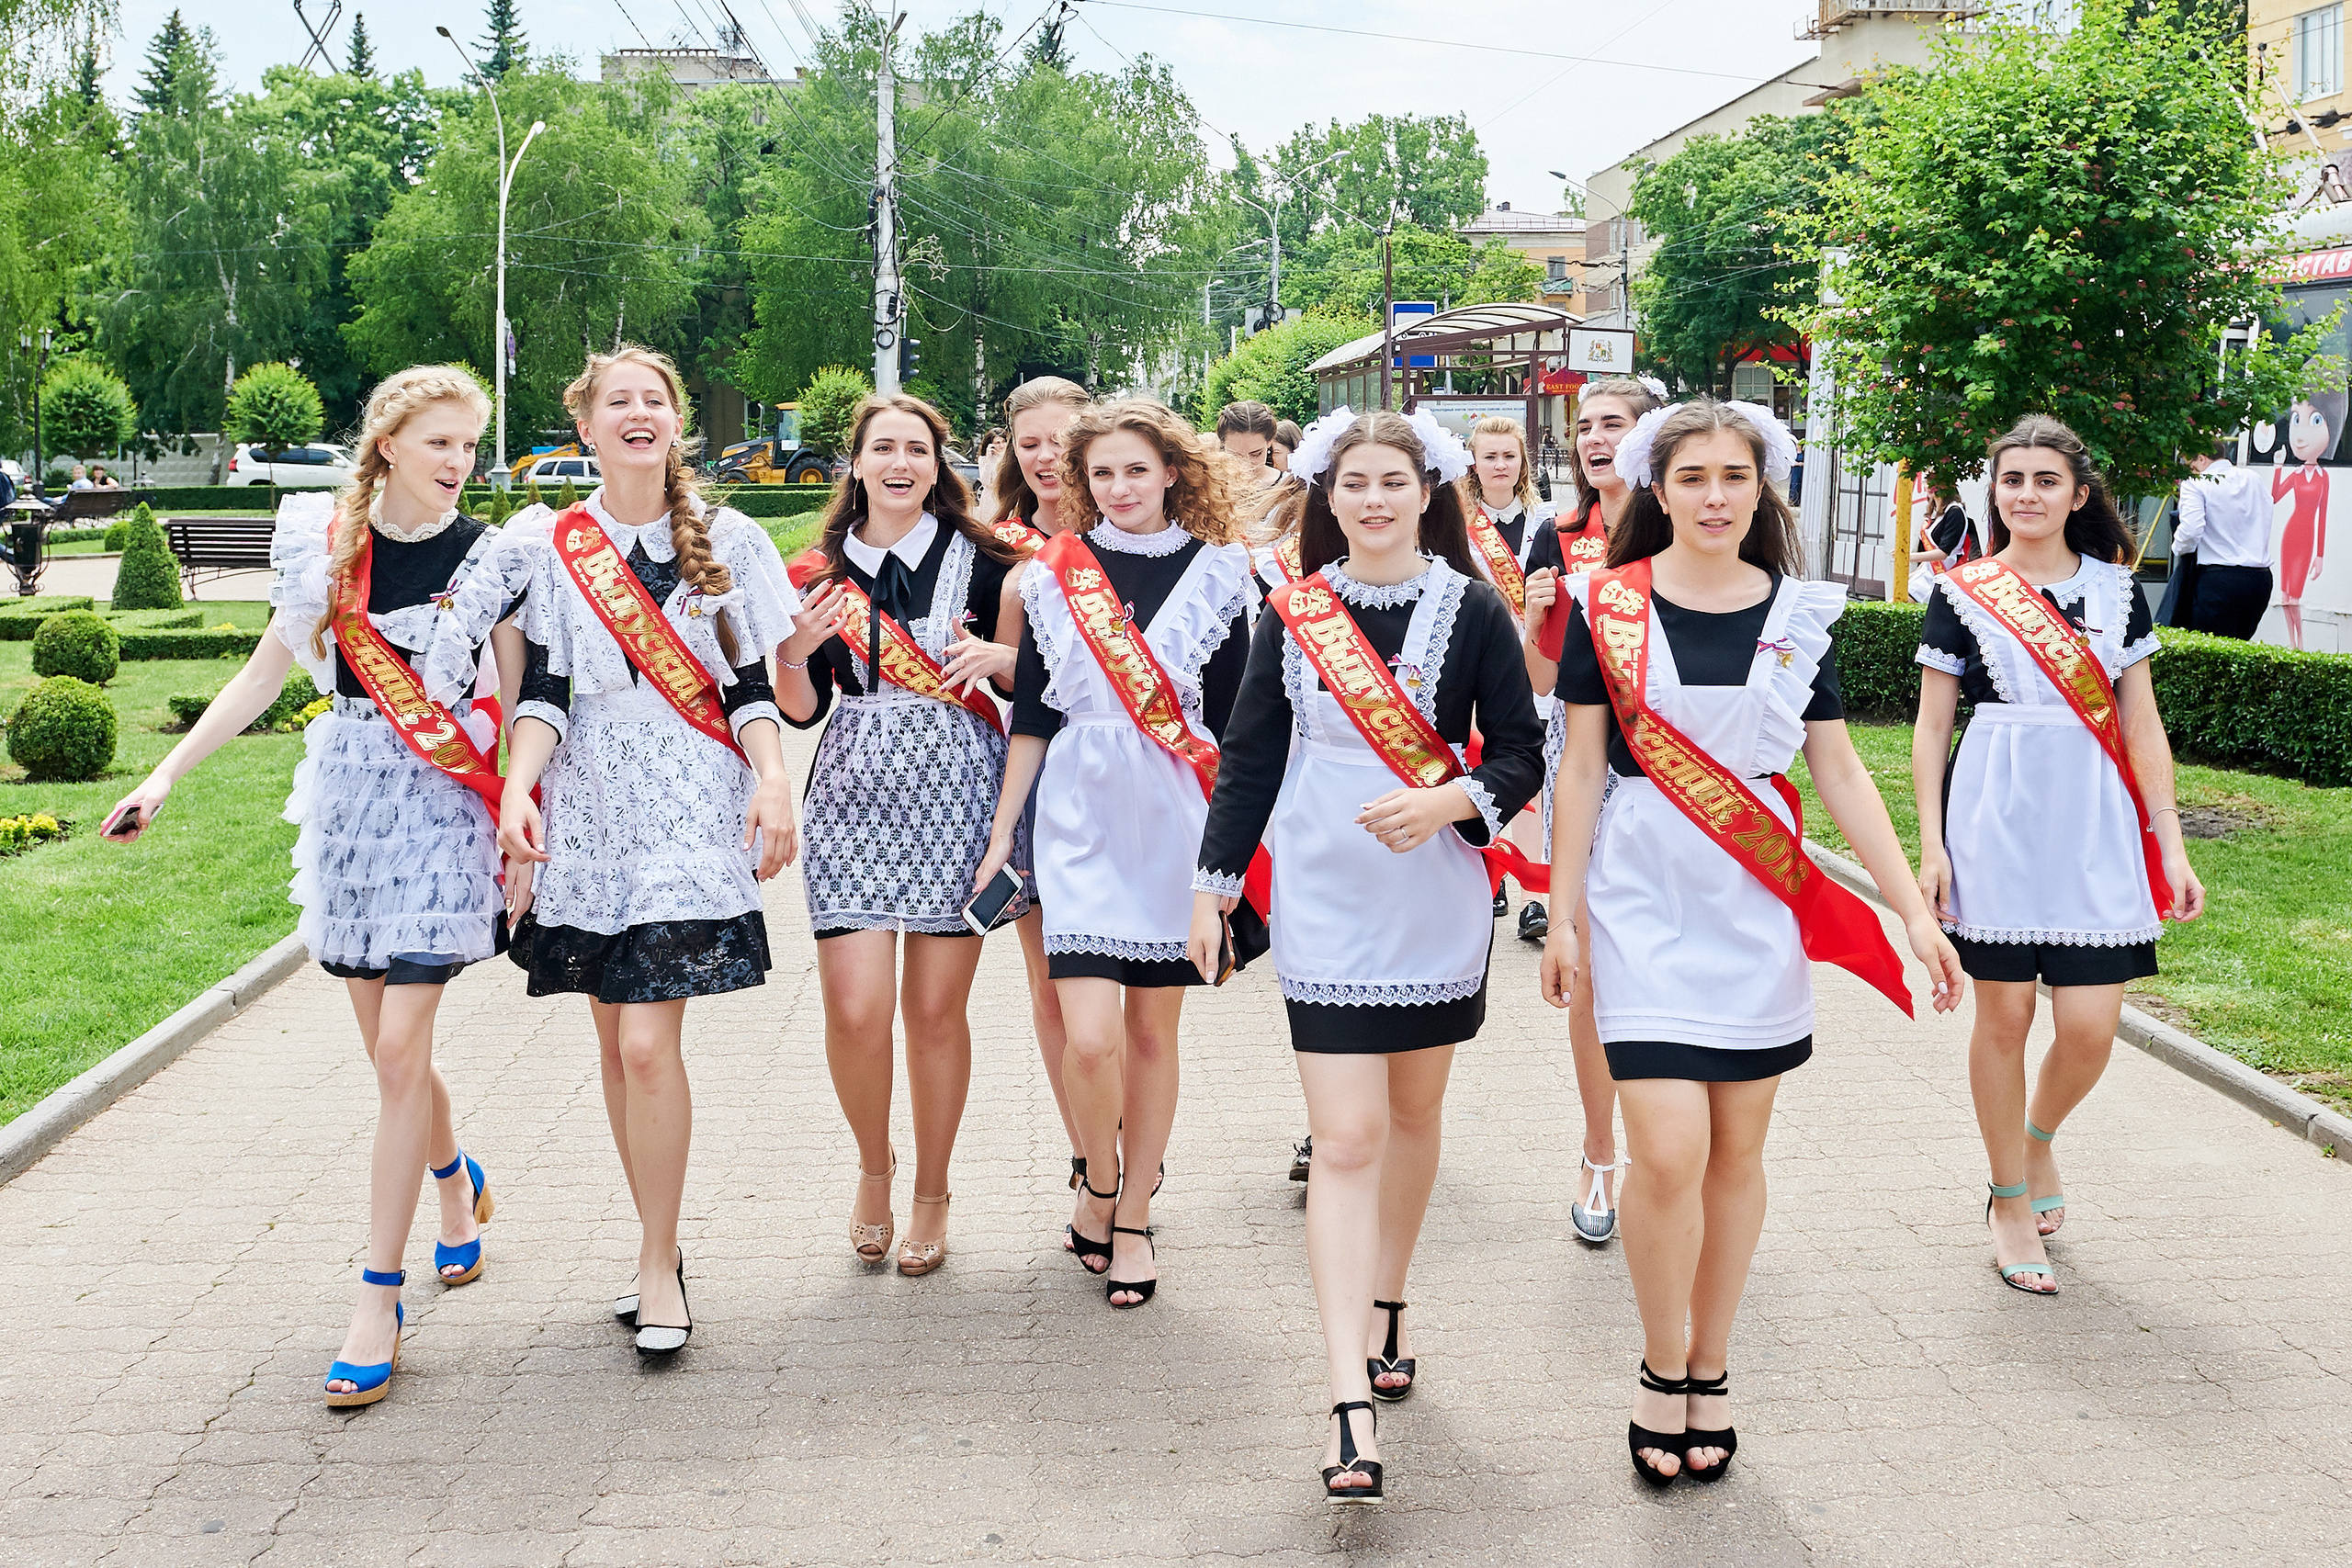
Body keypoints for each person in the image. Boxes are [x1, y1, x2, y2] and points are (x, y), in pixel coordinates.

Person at [1542, 398, 1963, 1486]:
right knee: (1667, 1150)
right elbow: (1581, 765)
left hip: (1751, 895)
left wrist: (1911, 910)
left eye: (1734, 477)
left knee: (1735, 1153)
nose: (1714, 497)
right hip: (1638, 893)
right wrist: (1566, 908)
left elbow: (1835, 767)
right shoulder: (1607, 604)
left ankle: (1709, 1365)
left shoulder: (1796, 614)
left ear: (1760, 489)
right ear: (1657, 488)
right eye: (1692, 479)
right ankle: (1656, 1360)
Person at [106, 365, 519, 1406]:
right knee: (393, 1058)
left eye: (469, 446)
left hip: (441, 811)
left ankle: (376, 1297)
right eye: (439, 444)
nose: (458, 465)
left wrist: (524, 814)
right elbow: (260, 676)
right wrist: (162, 776)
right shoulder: (324, 550)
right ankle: (455, 1184)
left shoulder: (490, 555)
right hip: (350, 809)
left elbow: (518, 702)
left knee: (394, 1053)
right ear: (387, 444)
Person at [1192, 409, 1544, 1503]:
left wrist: (1450, 798)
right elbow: (1249, 758)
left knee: (1410, 1119)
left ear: (1425, 490)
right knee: (1345, 1138)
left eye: (1395, 481)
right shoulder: (1292, 615)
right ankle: (1347, 1394)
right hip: (1326, 893)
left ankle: (1390, 1294)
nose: (1375, 500)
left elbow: (1524, 753)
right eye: (1356, 484)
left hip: (1433, 892)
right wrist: (1211, 890)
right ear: (1327, 496)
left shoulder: (1473, 607)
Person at [492, 345, 802, 1356]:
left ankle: (658, 1263)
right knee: (613, 1045)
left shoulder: (731, 535)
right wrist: (517, 790)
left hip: (688, 792)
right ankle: (653, 1245)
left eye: (654, 400)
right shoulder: (548, 543)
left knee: (642, 1044)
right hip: (589, 800)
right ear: (584, 427)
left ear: (676, 424)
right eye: (616, 402)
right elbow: (543, 689)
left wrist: (770, 778)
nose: (638, 413)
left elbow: (750, 684)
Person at [1914, 413, 2205, 1297]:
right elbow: (1932, 729)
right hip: (1993, 819)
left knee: (2088, 1028)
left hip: (2094, 824)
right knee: (2002, 1020)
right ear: (1992, 490)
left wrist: (2171, 839)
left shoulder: (2120, 592)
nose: (2027, 495)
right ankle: (2007, 1196)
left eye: (2046, 480)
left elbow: (2142, 723)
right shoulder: (1961, 590)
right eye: (2012, 480)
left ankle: (2036, 1138)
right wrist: (1930, 842)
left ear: (2078, 495)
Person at [976, 399, 1255, 1309]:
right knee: (1087, 1037)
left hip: (1175, 820)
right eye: (1102, 474)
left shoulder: (1222, 575)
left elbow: (1235, 728)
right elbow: (1034, 717)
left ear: (1173, 470)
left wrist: (1229, 862)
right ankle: (1100, 1175)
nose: (1120, 487)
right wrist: (1000, 834)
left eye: (1136, 469)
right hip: (1078, 818)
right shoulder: (1052, 577)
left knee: (1149, 1031)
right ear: (1079, 484)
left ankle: (1130, 1213)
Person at [777, 393, 1023, 1278]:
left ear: (937, 464)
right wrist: (796, 652)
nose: (900, 463)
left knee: (932, 1009)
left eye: (917, 449)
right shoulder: (814, 570)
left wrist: (1005, 663)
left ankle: (931, 1189)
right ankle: (871, 1170)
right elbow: (801, 709)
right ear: (856, 463)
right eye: (883, 447)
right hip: (851, 783)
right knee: (855, 1007)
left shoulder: (992, 562)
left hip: (957, 782)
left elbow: (1025, 685)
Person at [1515, 374, 1662, 1246]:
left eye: (1614, 423)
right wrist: (1534, 618)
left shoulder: (1685, 522)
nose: (1595, 438)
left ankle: (1668, 1146)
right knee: (1595, 967)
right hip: (1585, 765)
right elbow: (1539, 684)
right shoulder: (1554, 530)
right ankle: (1601, 1150)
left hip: (1677, 775)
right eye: (1586, 425)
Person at [985, 376, 1114, 1220]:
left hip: (1130, 780)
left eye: (1058, 441)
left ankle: (1129, 1157)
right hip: (1033, 778)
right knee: (1052, 981)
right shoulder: (994, 549)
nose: (1043, 458)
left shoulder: (1132, 529)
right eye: (1027, 442)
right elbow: (993, 677)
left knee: (1129, 987)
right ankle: (1085, 1151)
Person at [1455, 414, 1558, 927]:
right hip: (1476, 664)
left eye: (1509, 456)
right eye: (1489, 455)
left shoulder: (1550, 524)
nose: (1499, 465)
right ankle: (1489, 874)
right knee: (1481, 767)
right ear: (1474, 461)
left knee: (1533, 774)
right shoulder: (1456, 524)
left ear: (1523, 464)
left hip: (1535, 662)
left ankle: (1535, 895)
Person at [2173, 450, 2274, 640]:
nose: (2193, 472)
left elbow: (2191, 530)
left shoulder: (2196, 483)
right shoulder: (2254, 479)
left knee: (2208, 651)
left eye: (2192, 467)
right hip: (2259, 579)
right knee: (2238, 648)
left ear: (2201, 458)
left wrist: (2178, 549)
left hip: (2218, 579)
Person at [2269, 389, 2337, 649]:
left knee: (2294, 597)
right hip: (2291, 535)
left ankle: (2299, 642)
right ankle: (2294, 644)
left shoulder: (2323, 477)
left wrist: (2319, 556)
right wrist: (2277, 468)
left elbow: (2322, 517)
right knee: (2286, 597)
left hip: (2307, 538)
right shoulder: (2296, 474)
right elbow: (2275, 496)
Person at [1905, 477, 1981, 604]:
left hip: (1945, 571)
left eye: (1933, 482)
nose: (1928, 487)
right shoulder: (1937, 513)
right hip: (1928, 572)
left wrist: (1907, 557)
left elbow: (1943, 553)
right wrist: (1914, 573)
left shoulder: (1955, 511)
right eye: (1927, 482)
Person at [1216, 400, 1279, 478]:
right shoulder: (1209, 486)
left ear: (1269, 441)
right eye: (1235, 456)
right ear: (1223, 444)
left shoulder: (1290, 485)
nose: (1246, 466)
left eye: (1255, 454)